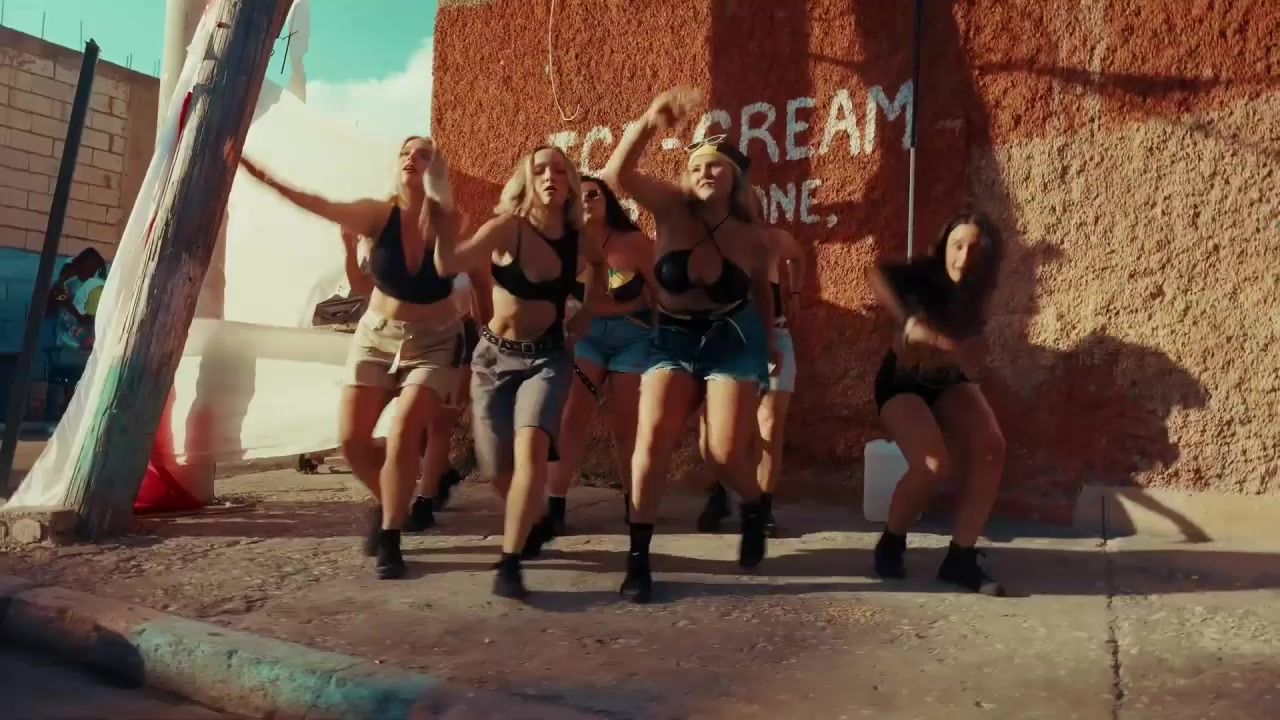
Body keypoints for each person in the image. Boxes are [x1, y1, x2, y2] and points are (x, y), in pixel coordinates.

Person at [239, 136, 472, 580]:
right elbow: (318, 204)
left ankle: (391, 535)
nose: (412, 159)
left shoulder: (447, 220)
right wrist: (262, 176)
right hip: (376, 337)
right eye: (405, 153)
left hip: (436, 341)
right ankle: (391, 502)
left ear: (436, 169)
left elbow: (463, 269)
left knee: (404, 432)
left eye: (423, 154)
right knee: (351, 442)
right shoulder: (376, 214)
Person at [604, 87, 778, 604]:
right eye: (697, 165)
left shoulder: (752, 236)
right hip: (673, 336)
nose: (705, 172)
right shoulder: (669, 209)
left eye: (716, 166)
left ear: (734, 178)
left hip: (733, 338)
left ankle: (753, 506)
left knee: (723, 453)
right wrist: (647, 121)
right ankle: (638, 558)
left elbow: (762, 294)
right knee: (652, 440)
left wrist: (770, 347)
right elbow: (617, 175)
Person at [434, 145, 607, 600]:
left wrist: (588, 311)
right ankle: (534, 518)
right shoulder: (506, 228)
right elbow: (449, 264)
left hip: (547, 360)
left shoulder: (578, 238)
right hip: (493, 359)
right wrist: (443, 231)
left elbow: (601, 266)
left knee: (530, 452)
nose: (550, 176)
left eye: (559, 170)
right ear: (527, 180)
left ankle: (510, 561)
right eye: (540, 170)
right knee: (497, 469)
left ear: (569, 183)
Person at [866, 211, 1007, 596]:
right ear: (944, 246)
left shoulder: (979, 288)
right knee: (932, 465)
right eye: (957, 245)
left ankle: (960, 558)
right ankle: (892, 540)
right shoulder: (924, 275)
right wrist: (909, 321)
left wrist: (963, 355)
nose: (964, 256)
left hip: (947, 380)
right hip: (902, 380)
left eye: (974, 248)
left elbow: (969, 353)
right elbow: (876, 274)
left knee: (991, 447)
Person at [544, 175, 656, 535]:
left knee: (626, 424)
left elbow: (660, 293)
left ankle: (634, 501)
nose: (586, 200)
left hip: (633, 336)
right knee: (570, 418)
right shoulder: (564, 246)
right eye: (578, 197)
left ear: (607, 200)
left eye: (593, 194)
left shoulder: (634, 242)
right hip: (586, 338)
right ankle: (555, 504)